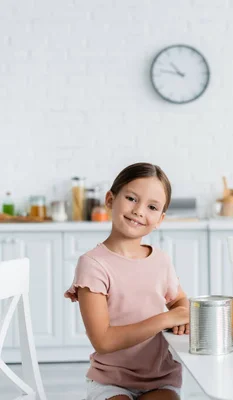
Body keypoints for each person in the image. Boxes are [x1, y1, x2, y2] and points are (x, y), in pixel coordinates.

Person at [65, 162, 189, 400]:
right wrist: (167, 318)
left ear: (160, 219)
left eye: (152, 206)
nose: (139, 211)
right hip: (110, 381)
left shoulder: (161, 261)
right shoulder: (92, 265)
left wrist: (182, 314)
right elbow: (103, 340)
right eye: (132, 199)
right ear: (110, 200)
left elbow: (180, 302)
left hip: (160, 379)